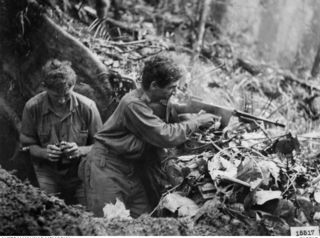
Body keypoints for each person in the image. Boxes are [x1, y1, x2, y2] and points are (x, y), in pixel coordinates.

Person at [80, 54, 220, 218]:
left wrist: (186, 109)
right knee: (110, 223)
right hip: (107, 167)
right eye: (171, 87)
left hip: (129, 169)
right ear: (154, 85)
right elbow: (165, 135)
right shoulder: (133, 104)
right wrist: (196, 122)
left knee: (145, 219)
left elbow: (162, 110)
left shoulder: (147, 99)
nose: (174, 91)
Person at [20, 59, 102, 205]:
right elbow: (27, 145)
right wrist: (44, 153)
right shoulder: (33, 107)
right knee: (45, 208)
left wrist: (80, 150)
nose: (62, 101)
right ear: (44, 88)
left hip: (80, 173)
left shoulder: (88, 107)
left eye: (67, 94)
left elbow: (101, 146)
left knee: (90, 214)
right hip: (47, 171)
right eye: (56, 96)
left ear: (73, 86)